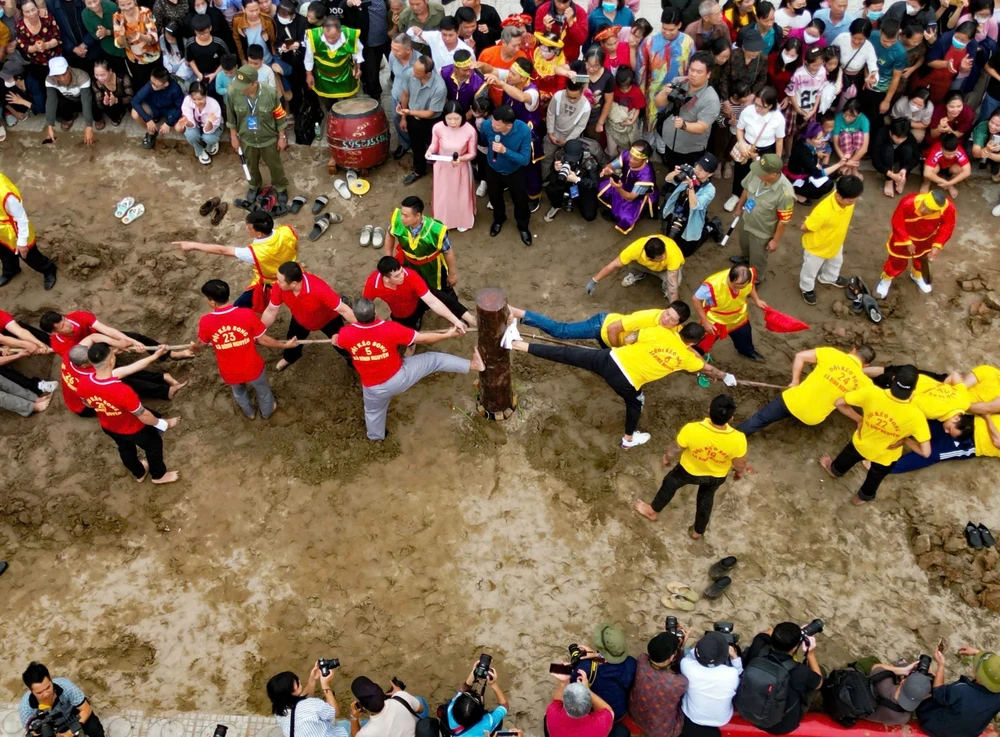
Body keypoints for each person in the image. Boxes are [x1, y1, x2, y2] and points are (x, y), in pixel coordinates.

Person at [506, 321, 734, 448]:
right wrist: (724, 376)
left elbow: (629, 338)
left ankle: (516, 343)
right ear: (694, 342)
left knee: (565, 354)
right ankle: (628, 438)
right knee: (636, 403)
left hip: (609, 358)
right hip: (625, 380)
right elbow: (706, 368)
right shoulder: (688, 359)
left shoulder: (657, 331)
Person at [336, 298, 482, 441]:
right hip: (399, 378)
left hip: (373, 388)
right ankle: (472, 365)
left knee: (373, 411)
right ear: (375, 313)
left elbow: (338, 341)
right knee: (434, 359)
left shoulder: (346, 334)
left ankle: (376, 436)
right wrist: (447, 335)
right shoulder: (389, 328)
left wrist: (336, 338)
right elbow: (422, 338)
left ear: (355, 316)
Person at [634, 394, 747, 541]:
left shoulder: (692, 429)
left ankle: (652, 510)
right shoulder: (738, 438)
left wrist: (666, 458)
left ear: (708, 410)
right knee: (706, 499)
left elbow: (675, 448)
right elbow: (740, 463)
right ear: (731, 418)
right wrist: (739, 473)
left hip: (688, 471)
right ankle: (697, 532)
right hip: (716, 476)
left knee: (670, 483)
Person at [820, 364, 931, 504]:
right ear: (913, 389)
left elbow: (839, 403)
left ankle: (835, 471)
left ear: (893, 379)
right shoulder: (916, 416)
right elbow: (925, 452)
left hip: (862, 442)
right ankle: (862, 497)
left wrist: (859, 419)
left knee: (846, 458)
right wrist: (905, 440)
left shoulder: (872, 393)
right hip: (886, 455)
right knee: (875, 477)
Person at [190, 279, 294, 419]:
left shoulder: (206, 321)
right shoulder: (247, 314)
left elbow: (200, 345)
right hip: (252, 367)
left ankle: (249, 413)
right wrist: (284, 345)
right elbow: (264, 340)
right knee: (263, 391)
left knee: (239, 392)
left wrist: (193, 348)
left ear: (212, 302)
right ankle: (267, 412)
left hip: (230, 371)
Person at [79, 342, 180, 483]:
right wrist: (160, 423)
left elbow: (87, 402)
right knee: (153, 444)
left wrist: (155, 356)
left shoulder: (84, 381)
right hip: (132, 428)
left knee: (125, 448)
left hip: (108, 425)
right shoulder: (122, 391)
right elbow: (143, 415)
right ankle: (159, 475)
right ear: (112, 360)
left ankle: (139, 473)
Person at [174, 210, 298, 313]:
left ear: (259, 233)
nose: (246, 229)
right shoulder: (286, 230)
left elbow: (222, 250)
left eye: (249, 228)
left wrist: (192, 245)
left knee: (241, 306)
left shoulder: (254, 253)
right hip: (293, 273)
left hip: (271, 282)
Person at [737, 344, 875, 436]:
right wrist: (859, 419)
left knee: (760, 419)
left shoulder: (831, 353)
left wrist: (795, 381)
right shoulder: (865, 383)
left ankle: (734, 438)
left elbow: (800, 356)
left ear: (853, 350)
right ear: (866, 365)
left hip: (792, 401)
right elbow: (846, 405)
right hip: (812, 418)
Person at [260, 261, 356, 371]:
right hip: (300, 319)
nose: (277, 283)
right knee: (292, 339)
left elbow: (343, 310)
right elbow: (271, 311)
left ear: (293, 284)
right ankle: (291, 357)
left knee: (342, 345)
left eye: (280, 281)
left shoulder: (318, 288)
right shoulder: (279, 288)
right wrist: (259, 330)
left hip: (328, 320)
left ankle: (353, 361)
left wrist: (363, 327)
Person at [382, 196, 466, 310]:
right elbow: (390, 232)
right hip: (410, 264)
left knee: (444, 291)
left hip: (433, 267)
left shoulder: (436, 230)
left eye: (406, 216)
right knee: (414, 290)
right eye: (402, 213)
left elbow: (448, 252)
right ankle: (421, 311)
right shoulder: (399, 221)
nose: (402, 218)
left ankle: (457, 312)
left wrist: (452, 274)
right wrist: (388, 256)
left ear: (418, 216)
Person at [738, 623, 823, 734]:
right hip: (782, 725)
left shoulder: (758, 645)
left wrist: (784, 634)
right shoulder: (800, 671)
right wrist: (810, 654)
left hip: (750, 713)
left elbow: (765, 633)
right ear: (794, 648)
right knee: (820, 672)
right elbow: (819, 683)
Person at [364, 256, 473, 341]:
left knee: (441, 296)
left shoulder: (411, 276)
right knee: (408, 331)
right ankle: (412, 344)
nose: (402, 276)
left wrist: (455, 321)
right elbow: (365, 305)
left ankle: (471, 319)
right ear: (386, 278)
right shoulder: (373, 283)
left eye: (401, 271)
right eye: (397, 276)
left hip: (420, 300)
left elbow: (432, 301)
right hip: (402, 312)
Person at [226, 64, 289, 203]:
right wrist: (233, 137)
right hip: (247, 138)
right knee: (251, 164)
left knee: (275, 165)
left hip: (268, 138)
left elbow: (279, 116)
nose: (240, 88)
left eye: (243, 85)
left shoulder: (270, 93)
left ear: (254, 83)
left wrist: (282, 137)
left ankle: (280, 187)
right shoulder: (232, 92)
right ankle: (254, 185)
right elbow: (231, 117)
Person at [875, 189, 955, 299]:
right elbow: (897, 222)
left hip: (926, 240)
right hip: (903, 239)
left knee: (921, 259)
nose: (922, 209)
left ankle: (917, 275)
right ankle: (887, 278)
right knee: (896, 260)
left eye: (927, 210)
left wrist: (937, 245)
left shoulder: (948, 209)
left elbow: (947, 226)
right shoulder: (908, 202)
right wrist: (907, 241)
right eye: (923, 205)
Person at [728, 153, 794, 281]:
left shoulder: (786, 194)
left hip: (762, 231)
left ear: (774, 174)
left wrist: (775, 240)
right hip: (746, 220)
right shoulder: (756, 172)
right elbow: (746, 189)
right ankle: (745, 259)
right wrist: (739, 207)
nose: (758, 173)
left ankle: (756, 279)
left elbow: (783, 221)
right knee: (744, 244)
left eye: (762, 172)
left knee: (758, 258)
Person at [797, 175, 862, 304]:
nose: (853, 203)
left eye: (855, 199)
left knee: (836, 262)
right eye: (850, 201)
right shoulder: (823, 211)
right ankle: (806, 288)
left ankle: (829, 278)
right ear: (838, 196)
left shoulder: (849, 202)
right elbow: (804, 227)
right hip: (816, 247)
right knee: (810, 270)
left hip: (836, 242)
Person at [510, 302, 689, 349]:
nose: (666, 319)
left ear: (678, 324)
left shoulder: (675, 330)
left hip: (618, 338)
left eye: (671, 319)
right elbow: (613, 330)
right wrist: (616, 348)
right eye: (667, 313)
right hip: (603, 327)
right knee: (560, 331)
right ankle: (518, 313)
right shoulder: (647, 318)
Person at [638, 8, 695, 148]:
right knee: (650, 127)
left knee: (670, 128)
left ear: (679, 25)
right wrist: (640, 97)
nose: (667, 33)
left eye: (672, 30)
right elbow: (641, 72)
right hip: (653, 94)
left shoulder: (688, 43)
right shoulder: (649, 42)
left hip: (678, 94)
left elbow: (692, 71)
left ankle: (664, 153)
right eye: (664, 28)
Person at [654, 51, 720, 172]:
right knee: (672, 171)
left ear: (708, 74)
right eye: (691, 69)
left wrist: (684, 125)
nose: (693, 74)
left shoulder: (711, 99)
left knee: (688, 178)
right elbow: (658, 103)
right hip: (669, 142)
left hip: (690, 149)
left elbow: (702, 126)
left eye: (699, 72)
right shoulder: (678, 82)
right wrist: (665, 93)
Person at [917, 645, 1000, 737]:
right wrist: (977, 652)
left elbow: (937, 693)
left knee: (930, 684)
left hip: (934, 728)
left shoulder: (961, 689)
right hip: (968, 733)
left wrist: (941, 665)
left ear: (978, 676)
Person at [481, 105, 534, 245]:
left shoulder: (523, 131)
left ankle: (523, 226)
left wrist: (505, 151)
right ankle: (499, 219)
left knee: (520, 201)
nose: (492, 125)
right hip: (493, 169)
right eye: (492, 121)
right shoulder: (487, 125)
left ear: (509, 125)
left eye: (497, 125)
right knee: (494, 197)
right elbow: (483, 139)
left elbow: (524, 159)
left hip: (515, 172)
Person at [691, 264, 767, 360]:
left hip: (738, 317)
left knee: (744, 337)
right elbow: (695, 298)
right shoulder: (713, 285)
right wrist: (705, 321)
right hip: (715, 320)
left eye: (742, 286)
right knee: (702, 342)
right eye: (736, 286)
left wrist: (757, 300)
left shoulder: (749, 275)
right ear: (729, 278)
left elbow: (751, 286)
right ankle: (693, 358)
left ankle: (747, 352)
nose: (738, 289)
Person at [728, 84, 784, 210]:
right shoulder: (748, 111)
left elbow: (779, 141)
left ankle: (753, 200)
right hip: (747, 146)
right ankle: (735, 195)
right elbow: (739, 129)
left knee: (761, 176)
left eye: (762, 106)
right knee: (741, 172)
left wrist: (777, 161)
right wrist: (741, 143)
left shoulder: (778, 119)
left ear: (770, 105)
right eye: (756, 104)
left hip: (766, 151)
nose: (757, 108)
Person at [0, 171, 58, 290]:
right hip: (2, 232)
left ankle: (48, 269)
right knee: (4, 254)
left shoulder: (6, 195)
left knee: (31, 257)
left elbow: (21, 219)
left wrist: (22, 242)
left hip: (15, 231)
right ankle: (10, 271)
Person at [678, 631, 743, 734]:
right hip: (721, 719)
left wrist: (703, 650)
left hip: (693, 716)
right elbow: (740, 674)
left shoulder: (687, 665)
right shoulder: (731, 674)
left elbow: (690, 654)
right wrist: (735, 657)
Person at [427, 100, 478, 232]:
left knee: (461, 194)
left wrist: (461, 159)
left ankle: (462, 220)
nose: (453, 122)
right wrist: (430, 151)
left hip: (461, 167)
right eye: (449, 119)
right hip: (442, 167)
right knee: (443, 194)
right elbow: (434, 144)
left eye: (456, 118)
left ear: (462, 116)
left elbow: (472, 153)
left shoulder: (470, 131)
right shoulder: (437, 128)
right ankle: (444, 220)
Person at [586, 234, 684, 301]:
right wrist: (594, 280)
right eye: (660, 257)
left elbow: (673, 285)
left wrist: (674, 306)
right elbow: (614, 265)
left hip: (665, 269)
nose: (664, 257)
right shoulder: (636, 248)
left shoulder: (671, 253)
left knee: (674, 281)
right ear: (650, 258)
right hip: (644, 265)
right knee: (627, 261)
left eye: (664, 254)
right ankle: (639, 274)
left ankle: (665, 290)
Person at [19, 663, 105, 737]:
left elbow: (86, 709)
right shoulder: (25, 709)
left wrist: (71, 732)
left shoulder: (66, 687)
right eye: (39, 692)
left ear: (51, 680)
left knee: (95, 729)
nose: (46, 694)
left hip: (73, 715)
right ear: (31, 691)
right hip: (51, 727)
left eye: (48, 687)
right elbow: (32, 732)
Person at [629, 630, 688, 737]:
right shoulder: (679, 682)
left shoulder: (641, 661)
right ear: (671, 657)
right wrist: (680, 648)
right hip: (660, 731)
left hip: (636, 715)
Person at [398, 54, 446, 186]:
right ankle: (419, 170)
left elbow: (431, 113)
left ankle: (439, 173)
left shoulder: (439, 87)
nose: (414, 74)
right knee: (416, 146)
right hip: (413, 118)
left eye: (418, 72)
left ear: (428, 74)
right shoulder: (410, 74)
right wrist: (404, 117)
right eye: (414, 69)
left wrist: (409, 112)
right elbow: (405, 94)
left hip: (432, 123)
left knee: (435, 147)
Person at [660, 153, 718, 257]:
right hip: (678, 210)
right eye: (698, 166)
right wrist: (675, 172)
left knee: (685, 252)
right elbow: (668, 179)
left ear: (710, 174)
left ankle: (711, 227)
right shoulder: (689, 172)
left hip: (693, 217)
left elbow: (694, 205)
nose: (698, 170)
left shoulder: (710, 190)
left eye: (703, 169)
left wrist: (691, 187)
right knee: (668, 237)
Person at [266, 664, 349, 737]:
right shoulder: (313, 704)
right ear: (291, 693)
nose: (298, 681)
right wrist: (325, 685)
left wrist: (312, 679)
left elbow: (302, 700)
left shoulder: (279, 711)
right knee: (346, 724)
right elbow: (335, 712)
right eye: (296, 684)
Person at [597, 139, 658, 234]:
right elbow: (611, 166)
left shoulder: (646, 176)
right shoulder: (627, 155)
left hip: (637, 197)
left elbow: (630, 198)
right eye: (630, 156)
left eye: (636, 159)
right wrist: (608, 170)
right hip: (623, 184)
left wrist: (618, 188)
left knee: (625, 218)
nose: (631, 160)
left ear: (645, 159)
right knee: (602, 188)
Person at [304, 16, 361, 109]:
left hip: (345, 75)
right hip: (323, 77)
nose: (330, 40)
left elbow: (357, 54)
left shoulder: (350, 35)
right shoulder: (313, 37)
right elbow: (308, 58)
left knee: (349, 104)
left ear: (340, 31)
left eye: (333, 37)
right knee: (329, 105)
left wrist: (357, 68)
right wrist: (309, 75)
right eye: (327, 37)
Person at [542, 80, 592, 180]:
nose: (571, 100)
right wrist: (550, 133)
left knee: (569, 162)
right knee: (546, 158)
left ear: (582, 93)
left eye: (575, 98)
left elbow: (581, 126)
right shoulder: (558, 96)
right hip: (554, 133)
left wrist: (568, 140)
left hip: (571, 138)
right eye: (569, 96)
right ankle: (545, 179)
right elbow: (551, 113)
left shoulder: (586, 106)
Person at [862, 658, 935, 726]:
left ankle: (901, 669)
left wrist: (903, 670)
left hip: (859, 703)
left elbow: (876, 667)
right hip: (872, 715)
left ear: (903, 681)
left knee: (874, 660)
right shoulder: (903, 718)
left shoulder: (883, 683)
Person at [42, 55, 96, 144]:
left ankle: (97, 118)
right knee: (56, 104)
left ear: (69, 69)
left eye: (64, 74)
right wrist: (50, 126)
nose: (62, 79)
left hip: (83, 99)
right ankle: (70, 116)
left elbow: (86, 102)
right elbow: (51, 101)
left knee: (93, 103)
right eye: (57, 76)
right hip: (69, 100)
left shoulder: (82, 76)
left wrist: (89, 126)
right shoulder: (50, 79)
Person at [543, 138, 601, 222]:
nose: (571, 160)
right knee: (551, 189)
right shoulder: (560, 155)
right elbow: (552, 179)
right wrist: (555, 171)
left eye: (574, 158)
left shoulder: (589, 160)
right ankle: (556, 205)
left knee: (589, 215)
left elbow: (594, 183)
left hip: (582, 184)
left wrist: (578, 179)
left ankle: (577, 200)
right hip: (565, 182)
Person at [446, 662, 509, 737]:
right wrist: (493, 684)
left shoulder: (450, 710)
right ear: (481, 716)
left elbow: (463, 689)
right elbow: (505, 706)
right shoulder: (486, 723)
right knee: (504, 732)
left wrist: (474, 673)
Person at [349, 676, 425, 737]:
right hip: (416, 733)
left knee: (364, 723)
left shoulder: (366, 733)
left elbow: (355, 735)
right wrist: (400, 693)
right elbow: (421, 709)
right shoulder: (401, 696)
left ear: (363, 707)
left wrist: (354, 717)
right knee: (419, 700)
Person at [784, 121, 842, 201]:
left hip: (806, 170)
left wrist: (816, 154)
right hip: (798, 178)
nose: (822, 140)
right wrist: (839, 164)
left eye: (822, 137)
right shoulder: (803, 153)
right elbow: (817, 173)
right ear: (808, 139)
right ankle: (796, 191)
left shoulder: (802, 142)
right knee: (828, 185)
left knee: (834, 173)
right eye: (818, 139)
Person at [545, 672, 614, 737]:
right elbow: (609, 711)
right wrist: (588, 691)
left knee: (546, 718)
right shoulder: (600, 723)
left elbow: (557, 701)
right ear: (589, 705)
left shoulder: (552, 713)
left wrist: (563, 682)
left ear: (564, 704)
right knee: (620, 731)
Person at [130, 66, 183, 149]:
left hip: (169, 109)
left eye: (156, 85)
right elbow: (134, 101)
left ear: (166, 83)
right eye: (151, 82)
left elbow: (180, 107)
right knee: (134, 113)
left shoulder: (175, 89)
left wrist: (169, 123)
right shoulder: (151, 85)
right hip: (153, 106)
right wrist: (148, 120)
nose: (152, 86)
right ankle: (151, 131)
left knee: (179, 128)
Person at [476, 24, 528, 107]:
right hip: (489, 103)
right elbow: (478, 79)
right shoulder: (487, 54)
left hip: (512, 104)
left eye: (519, 45)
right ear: (503, 42)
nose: (517, 49)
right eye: (514, 46)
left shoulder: (522, 58)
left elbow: (524, 83)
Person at [873, 117, 922, 198]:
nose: (900, 141)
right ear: (891, 132)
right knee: (888, 149)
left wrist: (905, 169)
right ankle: (888, 181)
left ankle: (902, 179)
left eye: (903, 138)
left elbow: (916, 156)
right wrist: (891, 175)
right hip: (885, 155)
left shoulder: (909, 136)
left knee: (908, 149)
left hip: (899, 155)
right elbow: (875, 159)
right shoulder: (882, 133)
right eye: (897, 138)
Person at [177, 79, 222, 163]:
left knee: (208, 137)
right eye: (194, 99)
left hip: (212, 128)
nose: (197, 102)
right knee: (190, 134)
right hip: (197, 124)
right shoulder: (187, 100)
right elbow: (191, 124)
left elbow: (209, 130)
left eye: (200, 99)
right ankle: (200, 151)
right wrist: (187, 122)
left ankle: (211, 144)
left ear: (206, 95)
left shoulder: (214, 105)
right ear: (190, 96)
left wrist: (209, 121)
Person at [407, 17, 473, 71]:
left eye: (451, 35)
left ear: (458, 33)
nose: (447, 38)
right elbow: (411, 35)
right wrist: (415, 29)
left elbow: (472, 68)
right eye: (444, 35)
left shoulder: (467, 50)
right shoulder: (435, 37)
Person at [389, 33, 416, 159]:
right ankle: (405, 144)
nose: (393, 52)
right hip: (396, 95)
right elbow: (394, 74)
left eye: (397, 50)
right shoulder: (392, 56)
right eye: (392, 48)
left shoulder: (419, 62)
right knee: (396, 119)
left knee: (414, 123)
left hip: (414, 100)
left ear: (408, 50)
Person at [922, 133, 971, 198]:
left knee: (960, 169)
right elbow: (927, 173)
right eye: (947, 154)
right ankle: (926, 183)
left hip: (949, 167)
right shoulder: (936, 150)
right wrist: (943, 182)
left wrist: (949, 183)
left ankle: (950, 185)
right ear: (941, 149)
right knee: (933, 169)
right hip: (936, 166)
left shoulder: (959, 150)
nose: (951, 156)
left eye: (953, 153)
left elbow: (967, 172)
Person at [831, 98, 869, 180]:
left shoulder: (863, 120)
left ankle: (853, 169)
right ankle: (849, 169)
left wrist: (847, 164)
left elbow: (864, 148)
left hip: (854, 150)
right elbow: (836, 143)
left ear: (859, 114)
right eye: (845, 114)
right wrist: (846, 161)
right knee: (845, 136)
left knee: (859, 135)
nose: (847, 118)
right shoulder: (838, 118)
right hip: (844, 148)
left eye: (852, 116)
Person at [91, 58, 132, 126]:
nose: (99, 78)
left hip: (123, 101)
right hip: (110, 105)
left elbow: (130, 97)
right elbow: (98, 102)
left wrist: (116, 100)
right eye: (96, 75)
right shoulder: (95, 81)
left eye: (102, 75)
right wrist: (104, 102)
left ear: (110, 71)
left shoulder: (123, 77)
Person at [971, 109, 1000, 181]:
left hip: (993, 153)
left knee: (995, 174)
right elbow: (975, 152)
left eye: (997, 125)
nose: (993, 127)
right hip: (982, 148)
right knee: (969, 152)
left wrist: (988, 153)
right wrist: (987, 150)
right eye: (992, 122)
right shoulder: (983, 126)